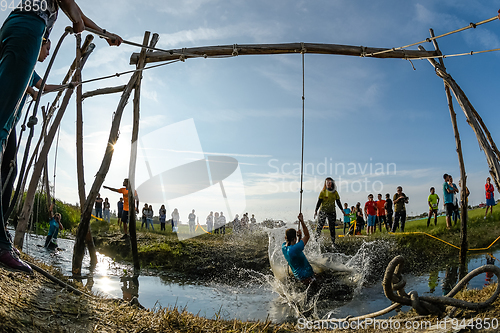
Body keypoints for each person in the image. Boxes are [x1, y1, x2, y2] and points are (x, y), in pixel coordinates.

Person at [282, 213, 315, 285]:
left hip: (299, 278)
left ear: (285, 238)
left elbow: (294, 248)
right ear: (294, 238)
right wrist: (302, 221)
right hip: (308, 278)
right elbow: (307, 236)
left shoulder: (284, 247)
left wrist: (299, 238)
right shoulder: (295, 249)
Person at [314, 177, 347, 245]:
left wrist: (342, 210)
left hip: (332, 212)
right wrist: (316, 210)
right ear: (325, 184)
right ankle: (315, 241)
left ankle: (333, 243)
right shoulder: (323, 192)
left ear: (332, 183)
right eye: (327, 182)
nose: (329, 183)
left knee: (332, 228)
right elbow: (319, 202)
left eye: (330, 182)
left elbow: (338, 202)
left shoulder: (335, 192)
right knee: (319, 226)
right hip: (323, 211)